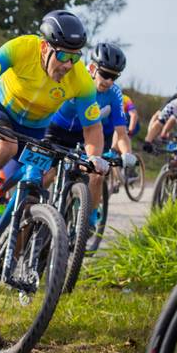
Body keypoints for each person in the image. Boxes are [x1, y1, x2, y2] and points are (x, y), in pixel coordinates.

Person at [0, 10, 110, 252]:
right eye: (63, 55)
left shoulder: (81, 80)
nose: (68, 64)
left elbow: (93, 126)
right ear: (44, 47)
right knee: (5, 147)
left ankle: (2, 259)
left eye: (74, 58)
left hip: (34, 129)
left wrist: (94, 156)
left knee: (32, 189)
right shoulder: (21, 47)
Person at [46, 42, 137, 250]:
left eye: (114, 77)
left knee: (97, 174)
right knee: (46, 175)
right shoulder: (75, 77)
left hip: (89, 136)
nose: (108, 81)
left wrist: (127, 153)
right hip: (57, 129)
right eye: (105, 74)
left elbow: (121, 132)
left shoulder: (115, 94)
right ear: (93, 67)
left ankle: (89, 218)